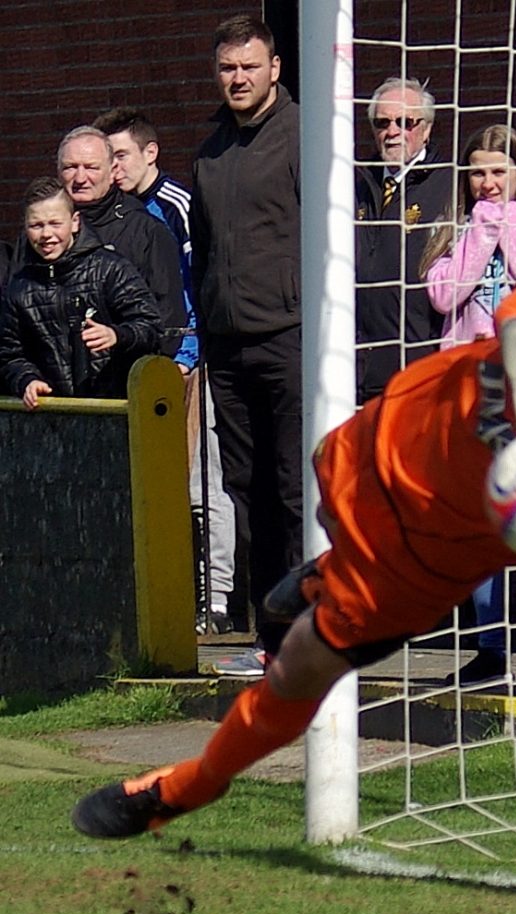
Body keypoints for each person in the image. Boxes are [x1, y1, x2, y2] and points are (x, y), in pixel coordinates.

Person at [70, 255, 516, 839]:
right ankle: (317, 581)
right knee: (305, 564)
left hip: (410, 567)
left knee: (300, 667)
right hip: (361, 454)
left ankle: (192, 784)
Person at [420, 123, 516, 685]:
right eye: (479, 171)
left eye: (499, 171)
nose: (488, 183)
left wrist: (510, 234)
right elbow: (442, 295)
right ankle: (489, 644)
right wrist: (478, 239)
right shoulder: (454, 231)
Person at [92, 106, 236, 635]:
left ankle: (215, 598)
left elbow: (198, 282)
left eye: (120, 156)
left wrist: (189, 355)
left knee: (204, 479)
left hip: (192, 357)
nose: (112, 168)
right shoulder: (113, 213)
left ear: (150, 153)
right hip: (147, 365)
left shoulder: (175, 206)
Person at [188, 14, 303, 673]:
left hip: (289, 338)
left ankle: (307, 639)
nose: (237, 78)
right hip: (228, 347)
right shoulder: (208, 154)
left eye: (248, 67)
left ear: (274, 68)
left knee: (295, 494)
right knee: (246, 492)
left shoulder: (302, 137)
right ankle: (269, 639)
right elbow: (201, 254)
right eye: (227, 68)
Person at [0, 177, 162, 406]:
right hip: (53, 415)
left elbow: (151, 326)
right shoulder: (19, 287)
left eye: (55, 223)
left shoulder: (110, 269)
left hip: (115, 408)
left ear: (75, 222)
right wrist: (27, 379)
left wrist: (116, 334)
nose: (46, 234)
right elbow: (9, 353)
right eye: (36, 225)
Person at [355, 77, 453, 401]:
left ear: (426, 129)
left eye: (405, 122)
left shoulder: (450, 185)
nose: (393, 131)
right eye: (383, 122)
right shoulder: (355, 183)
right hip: (358, 371)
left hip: (420, 371)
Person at [57, 126, 187, 352]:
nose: (80, 177)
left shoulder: (145, 230)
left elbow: (167, 320)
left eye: (91, 167)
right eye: (70, 167)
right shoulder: (43, 232)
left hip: (126, 375)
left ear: (112, 170)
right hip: (51, 381)